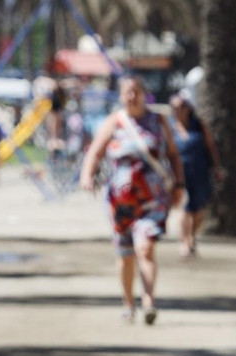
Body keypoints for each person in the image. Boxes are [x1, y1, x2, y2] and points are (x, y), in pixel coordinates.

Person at [79, 77, 185, 325]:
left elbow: (173, 155)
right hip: (120, 200)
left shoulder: (158, 121)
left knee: (145, 247)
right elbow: (94, 152)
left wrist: (179, 184)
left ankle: (149, 301)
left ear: (143, 94)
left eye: (135, 92)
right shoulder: (114, 122)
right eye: (127, 92)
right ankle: (128, 304)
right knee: (125, 253)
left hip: (153, 198)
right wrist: (87, 176)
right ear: (120, 96)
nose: (131, 97)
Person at [169, 93, 223, 258]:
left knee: (198, 209)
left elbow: (210, 146)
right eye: (175, 108)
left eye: (182, 107)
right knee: (185, 209)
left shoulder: (198, 125)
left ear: (188, 108)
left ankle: (192, 236)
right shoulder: (169, 127)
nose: (178, 110)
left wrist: (217, 167)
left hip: (199, 171)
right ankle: (184, 242)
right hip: (179, 174)